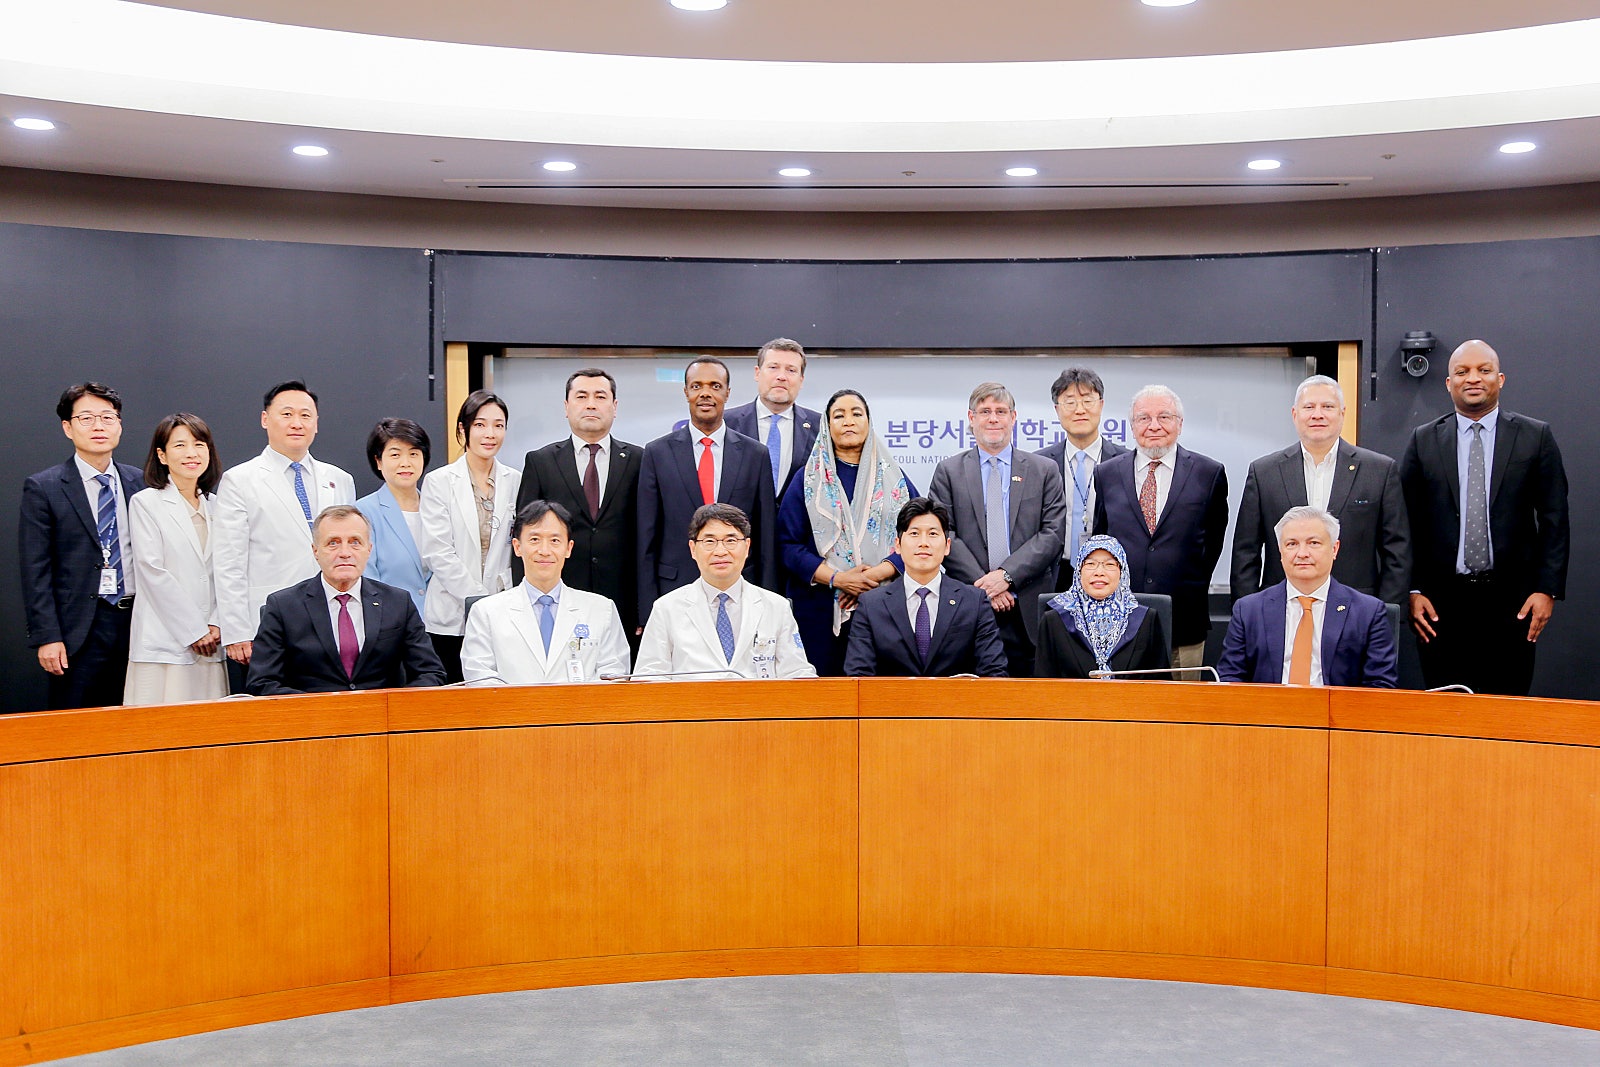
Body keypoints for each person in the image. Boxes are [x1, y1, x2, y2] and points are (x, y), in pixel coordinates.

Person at [1399, 339, 1569, 696]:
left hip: (1513, 605)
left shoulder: (1535, 436)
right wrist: (1411, 590)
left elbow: (1554, 518)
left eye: (1484, 370)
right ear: (1449, 383)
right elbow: (1404, 523)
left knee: (1505, 711)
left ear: (1500, 379)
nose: (1473, 378)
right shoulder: (1423, 440)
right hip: (1440, 607)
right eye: (1462, 372)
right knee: (1447, 710)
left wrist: (1546, 589)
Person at [213, 380, 355, 691]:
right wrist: (237, 631)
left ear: (316, 423)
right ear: (265, 419)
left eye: (305, 415)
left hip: (332, 621)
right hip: (265, 625)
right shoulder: (239, 480)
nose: (296, 423)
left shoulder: (339, 480)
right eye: (287, 414)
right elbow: (228, 562)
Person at [18, 382, 145, 709]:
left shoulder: (141, 482)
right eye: (86, 418)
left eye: (107, 417)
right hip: (79, 630)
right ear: (67, 427)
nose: (99, 426)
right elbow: (35, 570)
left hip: (139, 621)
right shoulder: (45, 487)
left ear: (119, 425)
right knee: (78, 722)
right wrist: (48, 636)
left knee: (138, 719)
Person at [1231, 375, 1410, 604]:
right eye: (1309, 407)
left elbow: (1397, 552)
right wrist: (1248, 612)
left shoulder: (1379, 471)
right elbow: (1245, 552)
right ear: (1295, 414)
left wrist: (1386, 614)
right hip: (1281, 608)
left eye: (1327, 406)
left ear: (1342, 413)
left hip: (1358, 609)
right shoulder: (1264, 472)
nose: (1318, 414)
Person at [928, 382, 1066, 677]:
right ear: (971, 418)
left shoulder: (1043, 470)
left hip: (1027, 606)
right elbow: (943, 533)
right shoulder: (948, 472)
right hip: (969, 603)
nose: (993, 419)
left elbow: (1052, 534)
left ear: (1013, 418)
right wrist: (986, 586)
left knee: (1029, 698)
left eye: (1001, 411)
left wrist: (1006, 577)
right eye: (985, 411)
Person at [777, 389, 916, 675]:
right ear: (827, 426)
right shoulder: (808, 479)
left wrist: (870, 578)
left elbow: (918, 537)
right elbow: (787, 545)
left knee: (884, 693)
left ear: (869, 422)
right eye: (839, 416)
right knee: (826, 693)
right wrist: (839, 579)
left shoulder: (894, 478)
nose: (848, 421)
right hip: (820, 610)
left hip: (884, 605)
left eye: (857, 414)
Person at [1093, 384, 1228, 672]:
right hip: (1120, 622)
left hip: (1185, 619)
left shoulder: (1208, 473)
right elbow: (1101, 542)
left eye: (1164, 417)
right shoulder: (1107, 473)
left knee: (1183, 699)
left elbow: (1213, 543)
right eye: (1144, 418)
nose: (1154, 426)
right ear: (1132, 426)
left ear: (1180, 423)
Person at [246, 505, 446, 694]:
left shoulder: (398, 602)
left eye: (355, 542)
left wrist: (394, 706)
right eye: (333, 543)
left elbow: (430, 673)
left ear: (368, 550)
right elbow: (262, 681)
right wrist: (318, 709)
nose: (344, 553)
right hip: (312, 715)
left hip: (382, 714)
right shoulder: (283, 607)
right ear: (316, 551)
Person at [637, 357, 777, 625]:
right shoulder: (657, 453)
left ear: (727, 393)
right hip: (675, 589)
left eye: (715, 386)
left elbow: (766, 536)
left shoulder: (755, 454)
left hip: (742, 591)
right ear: (686, 392)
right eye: (696, 386)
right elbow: (646, 537)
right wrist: (647, 611)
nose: (705, 393)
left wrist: (769, 602)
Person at [513, 368, 642, 645]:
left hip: (624, 602)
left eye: (600, 396)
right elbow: (523, 535)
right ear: (566, 406)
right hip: (558, 598)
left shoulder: (639, 460)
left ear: (615, 406)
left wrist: (645, 607)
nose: (591, 404)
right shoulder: (541, 462)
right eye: (582, 396)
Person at [1218, 506, 1398, 687]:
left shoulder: (1368, 612)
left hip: (1337, 705)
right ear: (1280, 551)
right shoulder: (1248, 611)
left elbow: (1380, 685)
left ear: (1334, 549)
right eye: (1292, 544)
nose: (1302, 553)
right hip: (1268, 705)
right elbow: (1230, 679)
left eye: (1314, 543)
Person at [635, 503, 816, 680]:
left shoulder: (776, 607)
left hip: (757, 701)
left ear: (747, 547)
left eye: (731, 541)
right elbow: (649, 677)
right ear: (693, 549)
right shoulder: (666, 608)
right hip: (692, 700)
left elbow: (797, 674)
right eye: (709, 541)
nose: (720, 551)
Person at [461, 500, 631, 685]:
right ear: (517, 547)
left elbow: (614, 676)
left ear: (568, 548)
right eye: (534, 539)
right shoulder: (485, 612)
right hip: (512, 705)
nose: (544, 551)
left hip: (581, 705)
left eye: (555, 541)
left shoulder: (601, 610)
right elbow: (480, 679)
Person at [124, 413, 228, 705]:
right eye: (180, 445)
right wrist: (194, 630)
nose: (191, 453)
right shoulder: (146, 503)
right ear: (162, 455)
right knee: (158, 723)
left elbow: (228, 569)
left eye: (199, 445)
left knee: (208, 725)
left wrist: (217, 622)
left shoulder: (219, 506)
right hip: (164, 642)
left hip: (211, 643)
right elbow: (152, 571)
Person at [419, 390, 521, 682]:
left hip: (503, 611)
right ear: (463, 429)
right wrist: (478, 600)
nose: (490, 434)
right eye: (480, 424)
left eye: (498, 425)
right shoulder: (439, 482)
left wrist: (495, 604)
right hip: (451, 615)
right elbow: (438, 552)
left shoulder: (515, 480)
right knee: (454, 694)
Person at [843, 497, 1007, 677]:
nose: (923, 542)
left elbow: (994, 672)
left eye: (933, 534)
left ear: (947, 546)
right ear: (898, 545)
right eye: (914, 533)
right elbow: (858, 675)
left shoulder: (974, 601)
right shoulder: (871, 605)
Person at [1036, 367, 1128, 590]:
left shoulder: (1125, 462)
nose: (1080, 410)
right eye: (1070, 402)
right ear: (1057, 409)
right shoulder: (1039, 464)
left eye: (1087, 401)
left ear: (1101, 405)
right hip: (1054, 574)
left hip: (1109, 577)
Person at [1035, 535, 1170, 680]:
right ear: (1079, 571)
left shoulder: (1145, 619)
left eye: (1109, 564)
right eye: (1090, 564)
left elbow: (1162, 685)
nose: (1099, 572)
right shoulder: (1054, 620)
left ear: (1122, 572)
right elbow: (1042, 685)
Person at [724, 337, 822, 501]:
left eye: (791, 370)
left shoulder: (820, 427)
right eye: (773, 367)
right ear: (757, 373)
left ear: (801, 380)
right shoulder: (726, 423)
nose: (781, 376)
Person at [354, 418, 432, 616]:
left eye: (414, 454)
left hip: (441, 623)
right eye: (395, 454)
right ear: (378, 461)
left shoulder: (437, 507)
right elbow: (367, 581)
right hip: (391, 622)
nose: (405, 463)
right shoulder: (363, 512)